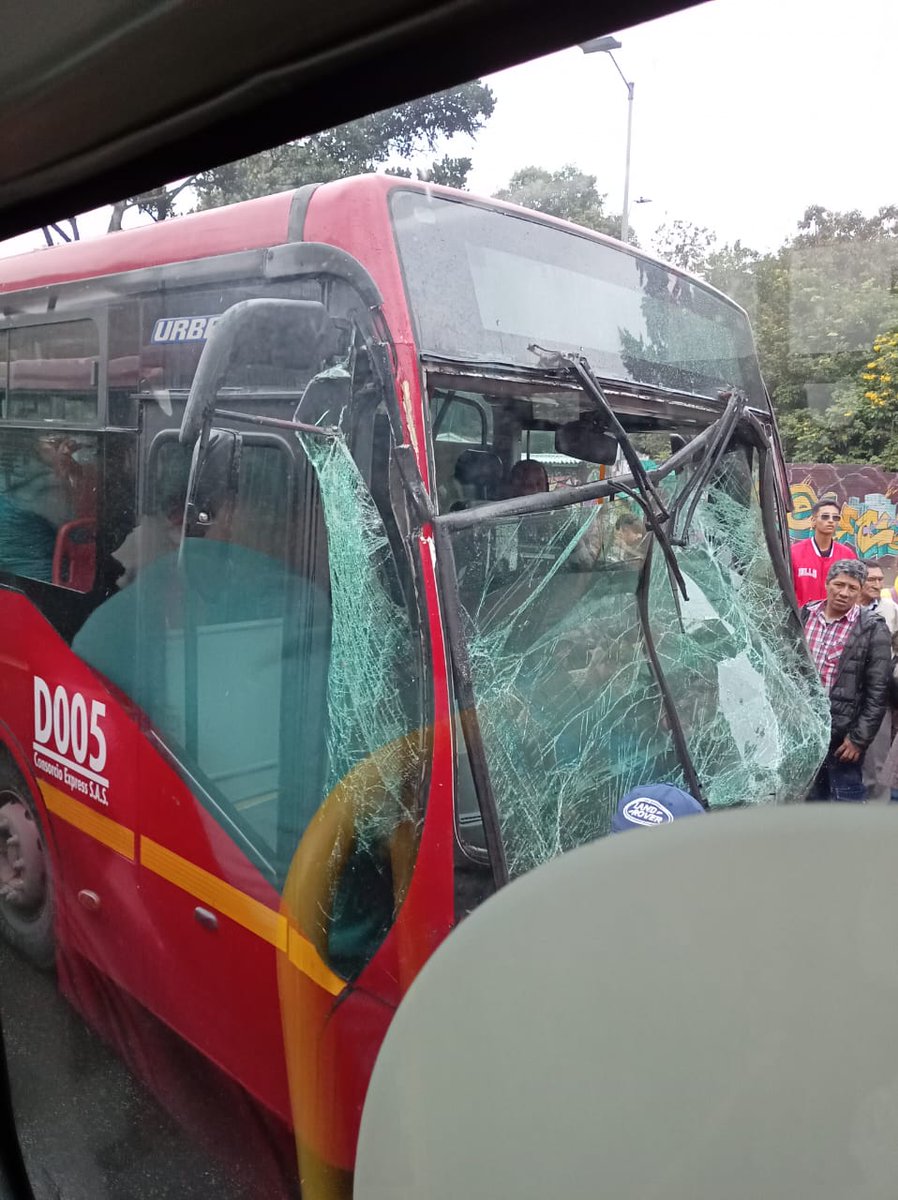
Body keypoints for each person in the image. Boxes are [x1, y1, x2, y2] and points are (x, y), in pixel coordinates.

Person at [801, 559, 891, 802]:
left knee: (845, 801)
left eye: (852, 587)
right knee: (808, 802)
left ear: (860, 589)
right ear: (827, 583)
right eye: (838, 584)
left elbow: (878, 691)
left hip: (842, 740)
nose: (844, 593)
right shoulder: (805, 615)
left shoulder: (872, 628)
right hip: (804, 734)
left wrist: (858, 739)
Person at [790, 498, 857, 608]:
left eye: (835, 517)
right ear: (813, 521)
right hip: (802, 619)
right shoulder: (794, 553)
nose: (831, 520)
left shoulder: (848, 555)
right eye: (825, 516)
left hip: (837, 620)